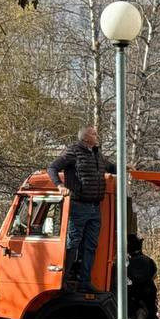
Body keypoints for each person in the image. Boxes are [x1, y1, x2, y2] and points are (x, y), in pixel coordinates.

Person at [47, 125, 115, 293]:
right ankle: (63, 281)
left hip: (94, 207)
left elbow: (109, 167)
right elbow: (52, 167)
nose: (97, 135)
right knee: (73, 243)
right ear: (85, 137)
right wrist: (60, 186)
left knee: (90, 246)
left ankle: (85, 282)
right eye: (93, 133)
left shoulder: (96, 153)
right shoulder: (74, 152)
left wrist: (124, 167)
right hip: (79, 205)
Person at [127, 234, 158, 319]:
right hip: (148, 304)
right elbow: (153, 275)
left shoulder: (129, 263)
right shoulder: (149, 261)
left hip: (135, 304)